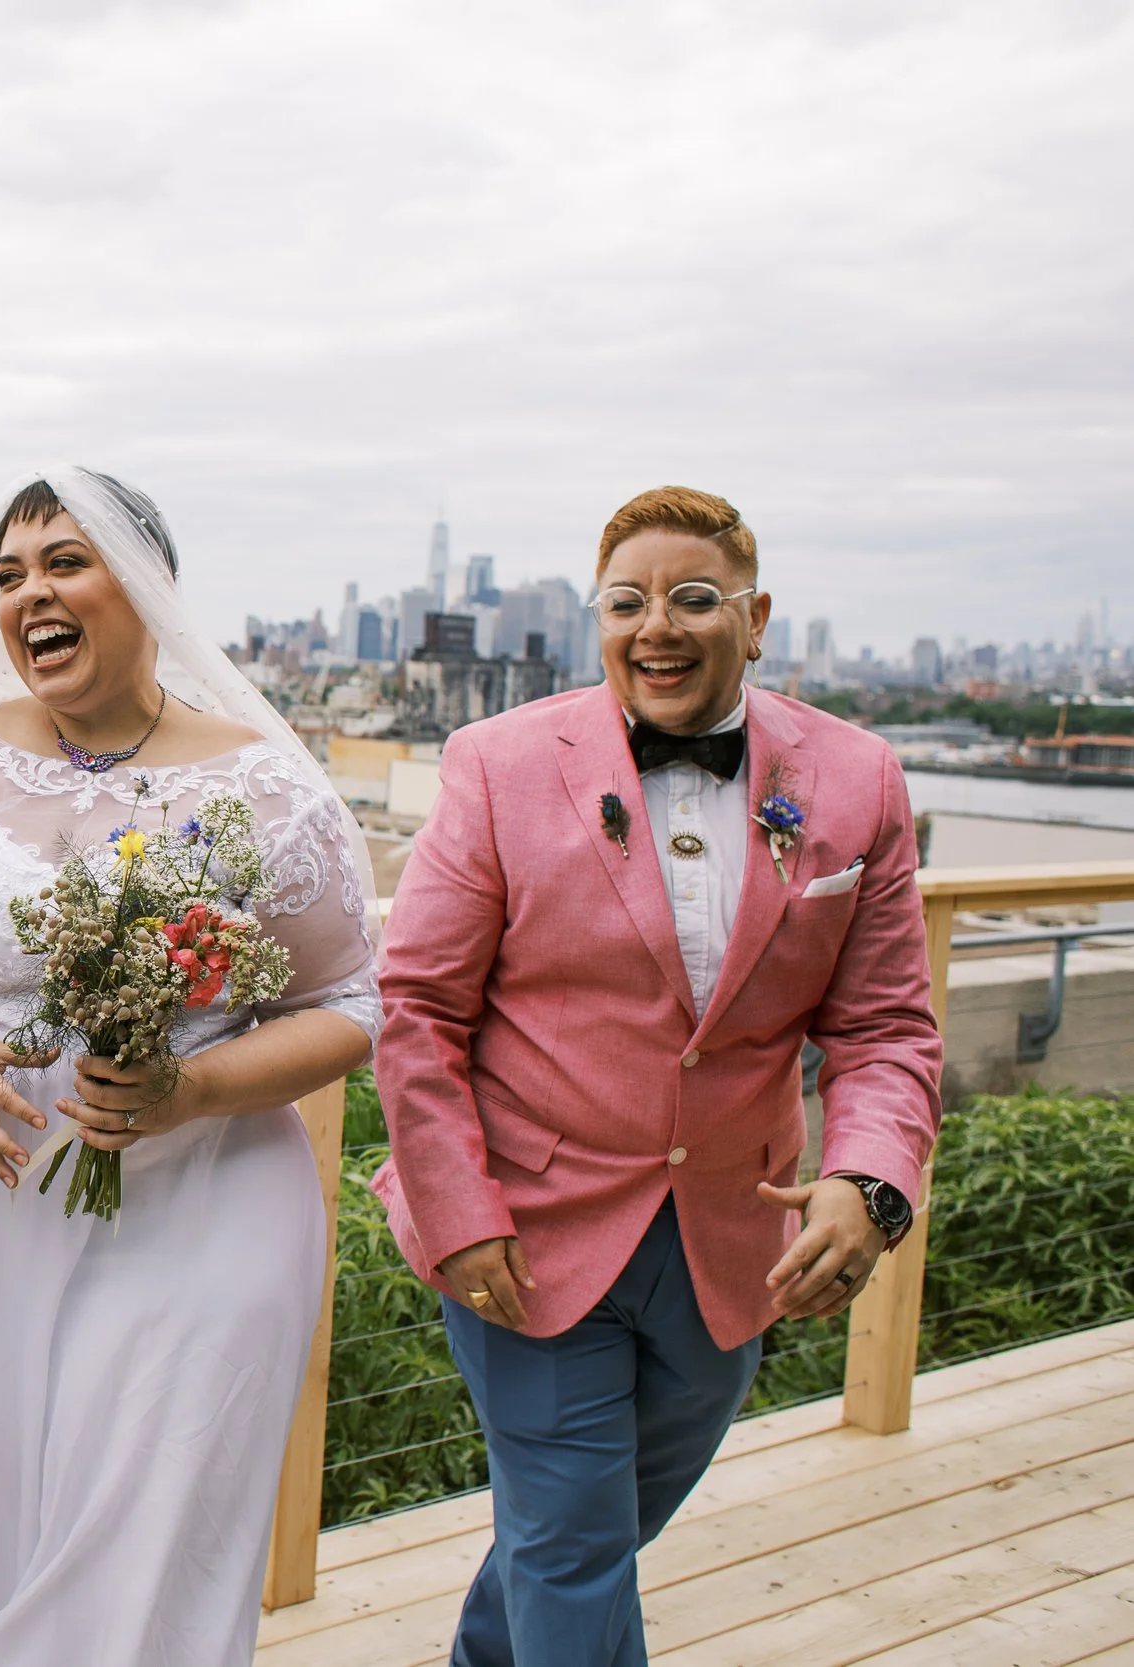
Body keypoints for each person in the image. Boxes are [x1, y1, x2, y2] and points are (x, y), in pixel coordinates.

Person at [0, 468, 383, 1667]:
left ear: (145, 586)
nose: (31, 592)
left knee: (128, 1535)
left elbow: (351, 1001)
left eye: (65, 561)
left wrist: (191, 1087)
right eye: (9, 573)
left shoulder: (261, 784)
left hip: (199, 1208)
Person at [372, 486, 943, 1666]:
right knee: (573, 1542)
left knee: (583, 1535)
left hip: (740, 1239)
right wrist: (456, 1209)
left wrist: (868, 1180)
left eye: (692, 599)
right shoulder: (495, 761)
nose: (657, 628)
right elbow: (418, 1009)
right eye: (626, 602)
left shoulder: (859, 779)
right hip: (521, 1232)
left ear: (756, 615)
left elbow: (886, 1025)